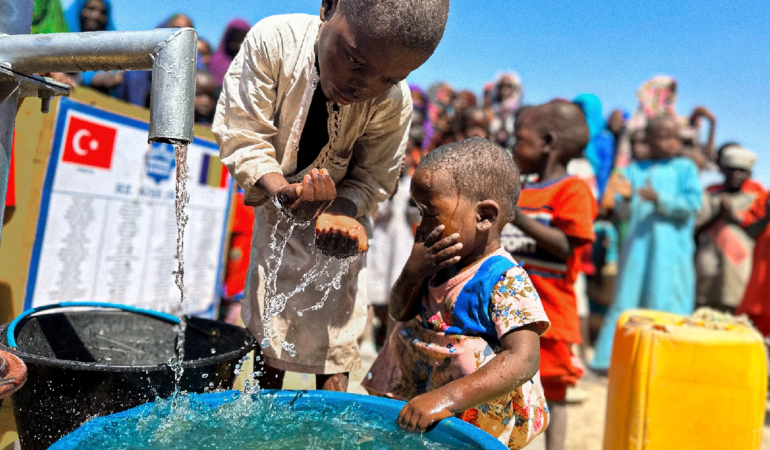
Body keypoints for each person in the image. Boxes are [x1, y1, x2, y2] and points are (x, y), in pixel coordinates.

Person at [212, 0, 450, 392]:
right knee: (268, 341)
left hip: (343, 229)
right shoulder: (276, 43)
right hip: (275, 217)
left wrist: (342, 210)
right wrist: (280, 191)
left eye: (388, 78)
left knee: (335, 347)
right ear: (328, 6)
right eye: (355, 61)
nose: (365, 86)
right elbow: (243, 134)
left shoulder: (392, 101)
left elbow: (375, 176)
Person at [363, 138, 549, 448]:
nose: (422, 226)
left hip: (471, 416)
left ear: (484, 216)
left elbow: (524, 358)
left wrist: (444, 399)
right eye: (418, 211)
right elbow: (399, 312)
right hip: (423, 398)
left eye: (431, 214)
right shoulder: (435, 261)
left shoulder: (504, 278)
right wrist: (413, 272)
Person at [501, 101, 596, 450]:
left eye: (519, 138)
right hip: (510, 315)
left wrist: (518, 218)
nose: (512, 145)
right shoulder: (520, 189)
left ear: (547, 142)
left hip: (551, 316)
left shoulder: (573, 190)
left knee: (552, 394)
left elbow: (568, 247)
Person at [592, 115, 702, 371]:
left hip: (672, 253)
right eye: (665, 137)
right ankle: (610, 362)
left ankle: (672, 362)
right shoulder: (633, 170)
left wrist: (660, 199)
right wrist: (627, 201)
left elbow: (694, 204)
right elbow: (621, 212)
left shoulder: (685, 168)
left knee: (669, 299)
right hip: (637, 251)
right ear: (649, 140)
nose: (673, 143)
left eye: (676, 137)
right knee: (628, 299)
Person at [695, 145, 763, 312]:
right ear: (723, 170)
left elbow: (756, 232)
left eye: (741, 171)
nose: (736, 175)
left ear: (749, 175)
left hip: (739, 268)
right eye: (731, 170)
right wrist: (718, 215)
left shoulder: (755, 200)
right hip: (707, 266)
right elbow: (695, 230)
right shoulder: (708, 197)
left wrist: (732, 216)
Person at [65, 0, 123, 93]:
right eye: (91, 8)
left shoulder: (113, 47)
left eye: (102, 12)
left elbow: (117, 75)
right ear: (80, 10)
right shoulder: (62, 37)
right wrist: (90, 78)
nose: (96, 15)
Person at [209, 18, 252, 87]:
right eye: (234, 39)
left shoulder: (254, 64)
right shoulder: (215, 62)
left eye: (241, 39)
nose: (238, 44)